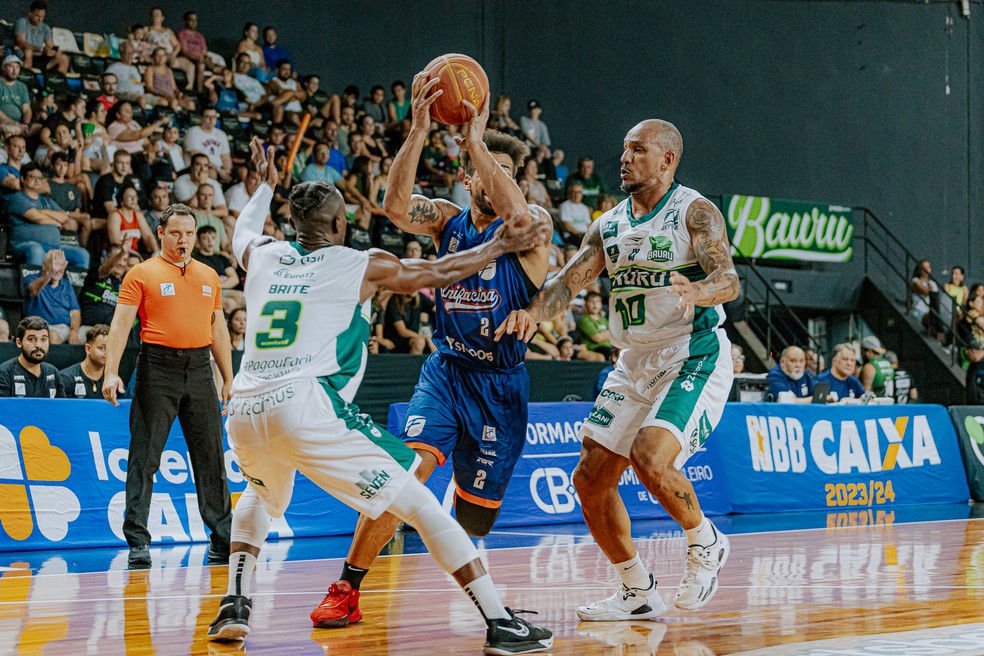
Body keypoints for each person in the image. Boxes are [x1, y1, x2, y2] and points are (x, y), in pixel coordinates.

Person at [205, 138, 552, 654]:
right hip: (323, 400)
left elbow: (244, 230)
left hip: (245, 408)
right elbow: (433, 272)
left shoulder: (265, 255)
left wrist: (264, 186)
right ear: (341, 226)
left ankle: (235, 605)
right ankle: (498, 621)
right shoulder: (358, 262)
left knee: (260, 494)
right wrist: (495, 247)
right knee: (422, 503)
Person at [316, 74, 553, 626]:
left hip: (501, 387)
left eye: (508, 175)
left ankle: (477, 589)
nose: (494, 183)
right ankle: (347, 588)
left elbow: (518, 217)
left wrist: (475, 139)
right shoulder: (447, 221)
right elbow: (395, 207)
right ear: (469, 177)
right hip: (446, 372)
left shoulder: (531, 226)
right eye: (485, 172)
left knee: (474, 519)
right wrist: (419, 131)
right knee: (406, 472)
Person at [496, 118, 739, 619]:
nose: (625, 158)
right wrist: (531, 313)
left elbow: (728, 278)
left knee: (651, 458)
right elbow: (569, 280)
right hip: (633, 361)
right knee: (589, 478)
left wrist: (699, 291)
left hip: (691, 351)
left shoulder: (693, 211)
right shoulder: (609, 224)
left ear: (667, 160)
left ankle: (705, 541)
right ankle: (636, 590)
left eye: (638, 150)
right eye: (624, 149)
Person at [102, 201, 234, 569]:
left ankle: (222, 538)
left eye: (189, 233)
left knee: (211, 456)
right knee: (144, 457)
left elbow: (218, 328)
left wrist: (228, 377)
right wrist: (111, 370)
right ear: (160, 233)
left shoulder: (209, 275)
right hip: (156, 368)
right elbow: (119, 325)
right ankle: (138, 542)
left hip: (200, 368)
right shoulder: (141, 273)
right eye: (176, 232)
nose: (184, 239)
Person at [7, 163, 90, 269]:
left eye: (40, 178)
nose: (37, 180)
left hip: (52, 247)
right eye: (32, 177)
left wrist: (44, 211)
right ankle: (34, 285)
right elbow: (38, 218)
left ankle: (70, 286)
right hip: (23, 245)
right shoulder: (17, 198)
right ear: (23, 179)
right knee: (36, 250)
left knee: (82, 254)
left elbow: (64, 217)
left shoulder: (46, 201)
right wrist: (55, 221)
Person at [22, 249, 80, 345]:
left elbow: (75, 312)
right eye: (55, 264)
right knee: (52, 336)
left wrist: (74, 333)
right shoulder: (32, 279)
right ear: (44, 265)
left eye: (62, 264)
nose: (58, 268)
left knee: (96, 336)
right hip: (41, 327)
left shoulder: (66, 284)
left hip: (66, 328)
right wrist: (50, 274)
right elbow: (34, 291)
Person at [0, 316, 62, 397]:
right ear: (19, 342)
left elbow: (62, 408)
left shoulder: (53, 372)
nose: (38, 345)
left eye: (43, 339)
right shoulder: (5, 373)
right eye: (31, 339)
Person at [14, 1, 70, 74]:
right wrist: (40, 49)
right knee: (28, 51)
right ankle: (26, 77)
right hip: (24, 55)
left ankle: (57, 82)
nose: (40, 19)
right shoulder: (22, 22)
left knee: (64, 58)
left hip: (40, 57)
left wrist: (55, 51)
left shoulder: (45, 27)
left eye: (42, 16)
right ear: (30, 13)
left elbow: (50, 45)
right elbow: (21, 42)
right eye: (37, 16)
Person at [59, 324, 113, 399]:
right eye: (102, 348)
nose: (106, 353)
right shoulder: (66, 378)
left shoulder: (113, 381)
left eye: (110, 349)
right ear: (88, 349)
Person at [184, 106, 233, 183]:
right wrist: (219, 170)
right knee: (212, 174)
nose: (211, 120)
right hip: (201, 168)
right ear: (201, 118)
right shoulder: (193, 131)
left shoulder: (221, 134)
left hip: (219, 169)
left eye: (213, 117)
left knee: (241, 172)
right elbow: (197, 157)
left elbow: (226, 158)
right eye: (207, 116)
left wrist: (227, 171)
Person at [577, 291, 613, 360]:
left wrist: (606, 335)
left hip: (609, 348)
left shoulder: (604, 319)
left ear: (601, 304)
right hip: (594, 348)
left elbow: (614, 336)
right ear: (586, 304)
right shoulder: (584, 320)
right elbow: (597, 338)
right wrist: (609, 334)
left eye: (597, 301)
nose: (594, 304)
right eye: (591, 301)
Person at [859, 335, 895, 399]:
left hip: (876, 404)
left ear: (868, 351)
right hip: (889, 403)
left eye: (862, 351)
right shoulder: (888, 363)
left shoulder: (870, 366)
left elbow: (866, 392)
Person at [966, 340, 984, 404]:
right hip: (972, 404)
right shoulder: (973, 365)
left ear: (973, 351)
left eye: (968, 353)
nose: (969, 356)